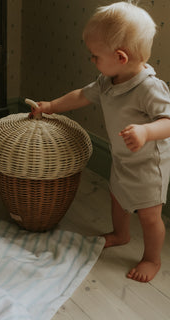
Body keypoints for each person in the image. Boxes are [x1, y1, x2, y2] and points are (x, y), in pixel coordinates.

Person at [31, 1, 170, 283]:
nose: (91, 60)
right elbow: (81, 95)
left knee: (149, 216)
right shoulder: (108, 80)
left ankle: (152, 258)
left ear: (120, 56)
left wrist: (145, 132)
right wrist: (51, 106)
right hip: (123, 158)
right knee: (117, 198)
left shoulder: (148, 87)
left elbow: (168, 121)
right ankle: (121, 234)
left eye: (95, 56)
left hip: (147, 166)